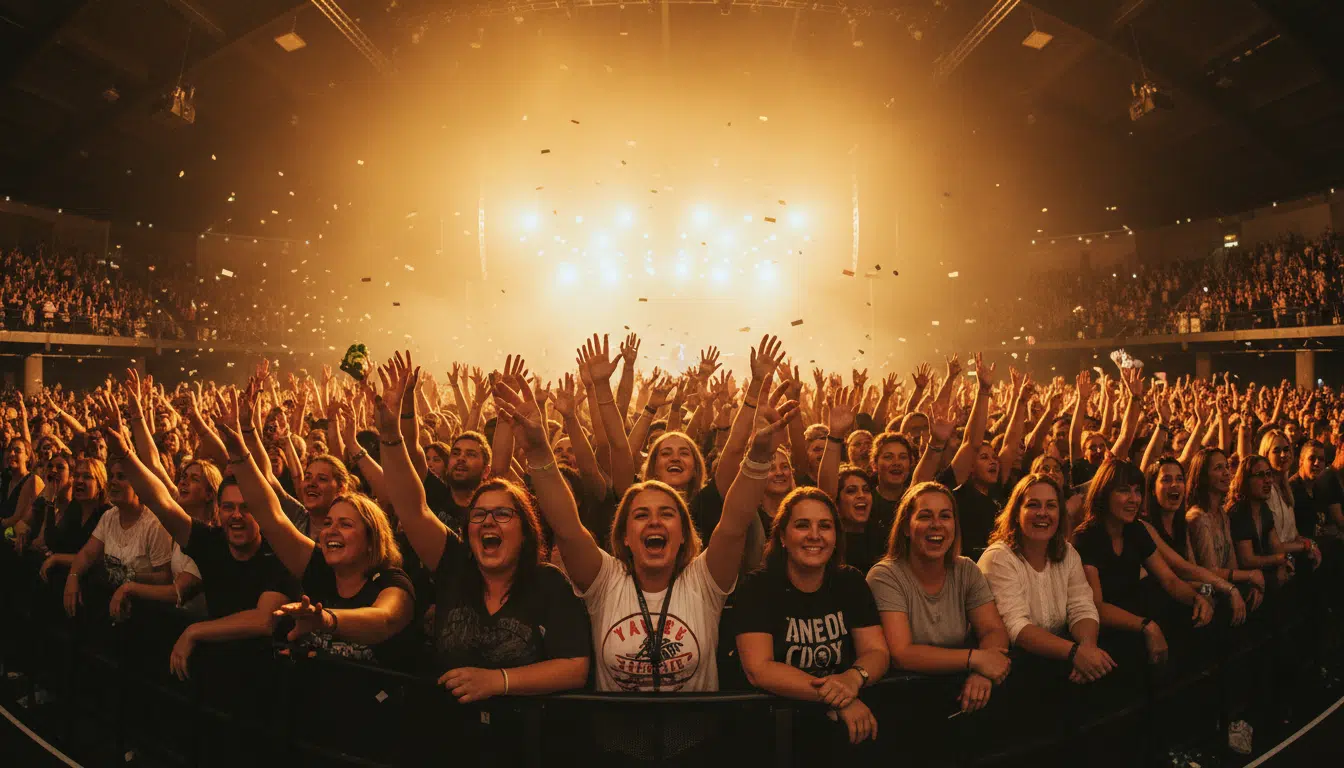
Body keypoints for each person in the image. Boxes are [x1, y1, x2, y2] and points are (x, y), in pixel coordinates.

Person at [526, 336, 800, 692]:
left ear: (686, 531)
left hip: (695, 744)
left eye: (667, 514)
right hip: (615, 746)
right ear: (623, 534)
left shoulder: (704, 581)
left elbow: (732, 525)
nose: (654, 521)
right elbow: (566, 527)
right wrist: (537, 447)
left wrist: (760, 453)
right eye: (641, 515)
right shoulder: (605, 581)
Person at [375, 354, 590, 701]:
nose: (488, 520)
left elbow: (576, 667)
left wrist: (498, 681)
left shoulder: (547, 583)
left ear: (525, 529)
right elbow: (411, 509)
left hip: (523, 744)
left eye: (503, 514)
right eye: (479, 514)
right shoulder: (454, 565)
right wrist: (390, 435)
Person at [215, 388, 416, 669]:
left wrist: (326, 620)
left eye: (345, 524)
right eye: (329, 523)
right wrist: (239, 452)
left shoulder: (391, 582)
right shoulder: (320, 568)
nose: (331, 530)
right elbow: (271, 516)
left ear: (373, 538)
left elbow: (384, 620)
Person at [734, 487, 888, 748]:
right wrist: (840, 697)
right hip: (776, 734)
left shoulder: (850, 581)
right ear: (782, 535)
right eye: (802, 525)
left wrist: (852, 678)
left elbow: (877, 651)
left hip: (843, 732)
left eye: (825, 526)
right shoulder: (757, 587)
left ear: (836, 536)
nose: (814, 536)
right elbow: (759, 669)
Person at [867, 481, 1012, 713]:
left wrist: (983, 672)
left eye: (945, 516)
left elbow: (993, 630)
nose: (936, 525)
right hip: (903, 703)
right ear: (905, 527)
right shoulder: (885, 576)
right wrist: (975, 659)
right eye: (925, 516)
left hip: (960, 696)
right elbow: (902, 654)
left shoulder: (966, 569)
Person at [1072, 460, 1213, 668]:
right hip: (1109, 631)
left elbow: (1170, 580)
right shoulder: (1086, 537)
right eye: (1124, 491)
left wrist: (1199, 597)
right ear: (1104, 493)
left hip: (1141, 616)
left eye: (1138, 491)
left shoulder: (1136, 529)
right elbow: (1097, 606)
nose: (1134, 499)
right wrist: (1147, 626)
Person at [977, 474, 1112, 684]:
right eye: (1033, 505)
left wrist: (1088, 647)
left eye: (1051, 506)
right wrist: (1076, 653)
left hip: (1058, 664)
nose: (1042, 513)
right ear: (1015, 513)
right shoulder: (998, 558)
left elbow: (1082, 607)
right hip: (1013, 674)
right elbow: (1016, 627)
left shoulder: (1067, 553)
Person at [60, 455, 175, 619]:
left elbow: (165, 577)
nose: (113, 482)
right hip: (109, 599)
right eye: (111, 476)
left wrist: (131, 578)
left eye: (121, 477)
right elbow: (87, 554)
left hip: (144, 608)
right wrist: (73, 577)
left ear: (139, 485)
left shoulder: (153, 524)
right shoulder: (109, 516)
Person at [1141, 458, 1248, 625]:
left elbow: (1191, 568)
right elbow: (1178, 572)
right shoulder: (1145, 526)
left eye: (1179, 479)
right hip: (1162, 610)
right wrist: (1227, 588)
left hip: (1186, 599)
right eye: (1166, 479)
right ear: (1153, 489)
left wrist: (1211, 590)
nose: (1175, 485)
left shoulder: (1181, 525)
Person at [1185, 447, 1266, 607]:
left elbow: (1231, 564)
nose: (1226, 473)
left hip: (1224, 588)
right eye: (1218, 468)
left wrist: (1247, 585)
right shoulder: (1198, 518)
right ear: (1203, 477)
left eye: (1226, 467)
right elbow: (1210, 570)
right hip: (1206, 596)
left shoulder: (1222, 513)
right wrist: (1249, 576)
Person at [1227, 455, 1319, 589]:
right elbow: (1247, 560)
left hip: (1263, 570)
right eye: (1260, 475)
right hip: (1244, 578)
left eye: (1269, 474)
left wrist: (1284, 561)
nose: (1268, 480)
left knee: (1303, 565)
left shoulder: (1264, 509)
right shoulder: (1239, 511)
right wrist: (1279, 560)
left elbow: (1276, 546)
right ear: (1246, 480)